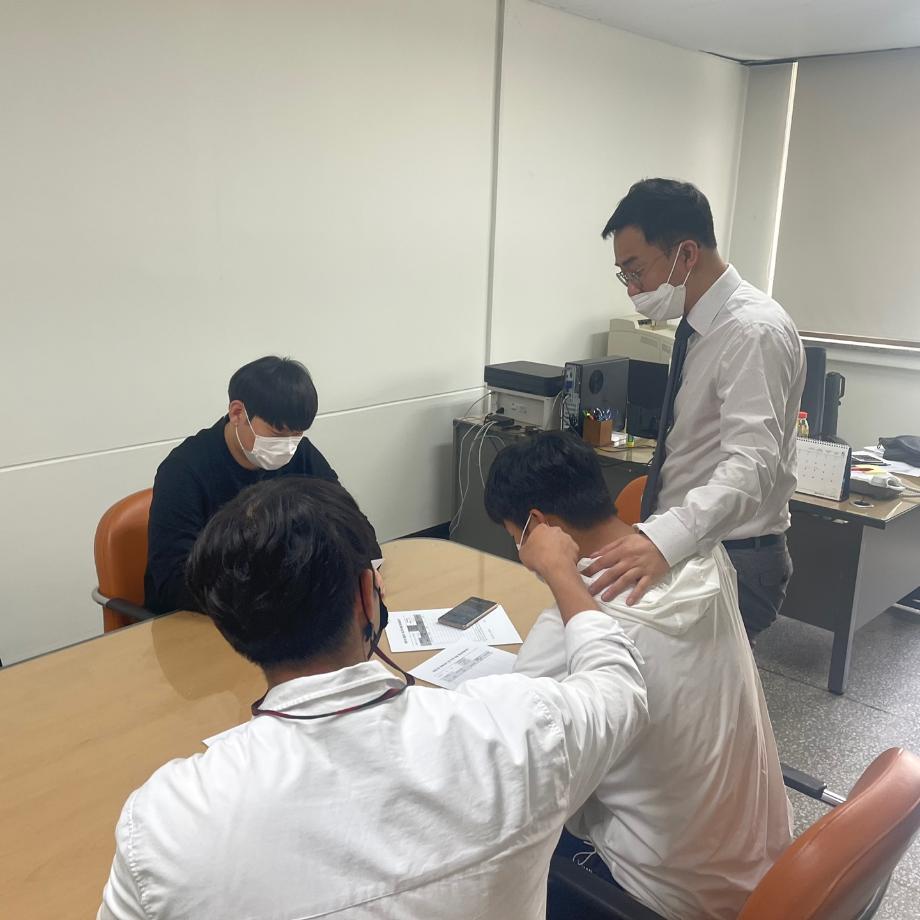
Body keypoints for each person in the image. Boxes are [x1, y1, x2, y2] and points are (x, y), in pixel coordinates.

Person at [99, 477, 648, 920]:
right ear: (368, 594)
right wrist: (562, 572)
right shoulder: (519, 729)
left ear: (231, 628)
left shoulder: (166, 821)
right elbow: (619, 685)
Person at [484, 431, 792, 920]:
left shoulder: (571, 626)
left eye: (516, 539)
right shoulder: (705, 558)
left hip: (660, 894)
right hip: (761, 867)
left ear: (539, 527)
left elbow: (514, 767)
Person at [588, 179, 806, 641]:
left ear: (686, 254)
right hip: (695, 542)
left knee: (660, 677)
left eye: (636, 271)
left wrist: (666, 541)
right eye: (624, 275)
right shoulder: (701, 325)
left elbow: (752, 466)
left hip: (732, 555)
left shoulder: (751, 331)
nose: (632, 290)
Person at [144, 355, 349, 614]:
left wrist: (362, 566)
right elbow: (174, 580)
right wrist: (272, 597)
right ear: (238, 413)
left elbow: (346, 518)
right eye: (277, 434)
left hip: (280, 609)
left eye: (297, 435)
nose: (288, 446)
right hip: (201, 616)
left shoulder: (300, 453)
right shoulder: (183, 470)